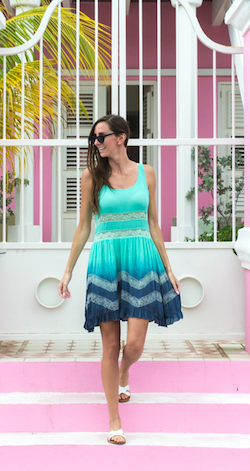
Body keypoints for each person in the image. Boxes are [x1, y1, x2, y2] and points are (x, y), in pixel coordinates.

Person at [58, 114, 183, 445]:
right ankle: (115, 420)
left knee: (136, 344)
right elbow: (84, 226)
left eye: (102, 137)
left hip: (142, 258)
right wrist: (68, 269)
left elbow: (153, 223)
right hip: (105, 261)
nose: (96, 143)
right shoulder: (91, 177)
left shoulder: (147, 173)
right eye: (93, 139)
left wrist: (168, 268)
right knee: (110, 344)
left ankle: (126, 371)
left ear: (121, 138)